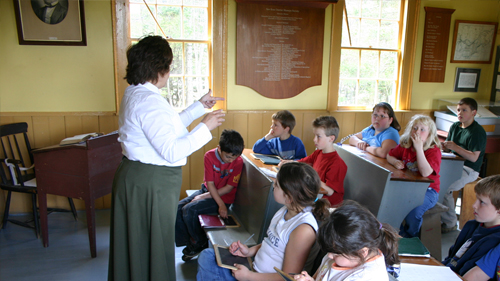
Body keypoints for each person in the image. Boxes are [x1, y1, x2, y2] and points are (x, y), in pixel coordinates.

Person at [108, 35, 225, 281]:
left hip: (139, 178)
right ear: (158, 68)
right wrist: (205, 127)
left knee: (138, 244)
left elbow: (165, 128)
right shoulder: (148, 101)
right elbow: (171, 150)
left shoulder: (136, 93)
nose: (169, 73)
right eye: (168, 67)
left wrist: (198, 107)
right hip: (151, 183)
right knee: (154, 243)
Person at [196, 162, 331, 281]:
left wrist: (249, 276)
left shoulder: (303, 230)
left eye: (277, 185)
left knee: (207, 262)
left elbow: (288, 276)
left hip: (257, 277)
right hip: (254, 270)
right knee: (208, 256)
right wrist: (249, 252)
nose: (273, 185)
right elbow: (271, 243)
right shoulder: (284, 211)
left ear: (289, 197)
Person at [175, 129, 244, 261]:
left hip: (224, 198)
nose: (231, 161)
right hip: (208, 191)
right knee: (179, 208)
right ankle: (189, 241)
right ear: (219, 149)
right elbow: (210, 184)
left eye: (234, 157)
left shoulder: (238, 161)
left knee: (189, 210)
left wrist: (218, 203)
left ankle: (199, 242)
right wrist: (204, 195)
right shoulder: (209, 156)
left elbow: (228, 188)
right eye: (228, 157)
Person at [294, 200, 400, 281]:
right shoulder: (343, 252)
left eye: (336, 254)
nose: (330, 256)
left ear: (363, 252)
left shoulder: (365, 277)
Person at [387, 114, 441, 238]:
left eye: (422, 130)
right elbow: (390, 155)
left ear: (429, 134)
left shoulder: (433, 150)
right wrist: (395, 161)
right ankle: (397, 234)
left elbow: (425, 173)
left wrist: (419, 149)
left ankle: (411, 236)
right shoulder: (405, 145)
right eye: (415, 128)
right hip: (408, 188)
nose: (417, 132)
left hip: (428, 190)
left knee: (414, 211)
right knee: (392, 204)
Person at [441, 97, 487, 233]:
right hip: (452, 163)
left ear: (474, 112)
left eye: (464, 110)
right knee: (433, 181)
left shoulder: (477, 132)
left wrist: (456, 146)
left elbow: (473, 157)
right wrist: (444, 147)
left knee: (445, 188)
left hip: (468, 169)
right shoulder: (455, 126)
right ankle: (436, 216)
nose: (460, 113)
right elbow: (449, 149)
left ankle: (450, 223)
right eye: (458, 110)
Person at [281, 116, 347, 206]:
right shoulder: (318, 153)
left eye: (318, 136)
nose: (314, 139)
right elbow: (304, 162)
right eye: (314, 135)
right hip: (316, 198)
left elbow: (330, 191)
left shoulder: (337, 163)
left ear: (331, 138)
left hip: (327, 206)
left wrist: (311, 178)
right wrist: (289, 163)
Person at [443, 175, 500, 277]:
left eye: (482, 202)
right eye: (476, 199)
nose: (474, 205)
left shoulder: (495, 240)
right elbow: (452, 258)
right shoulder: (471, 225)